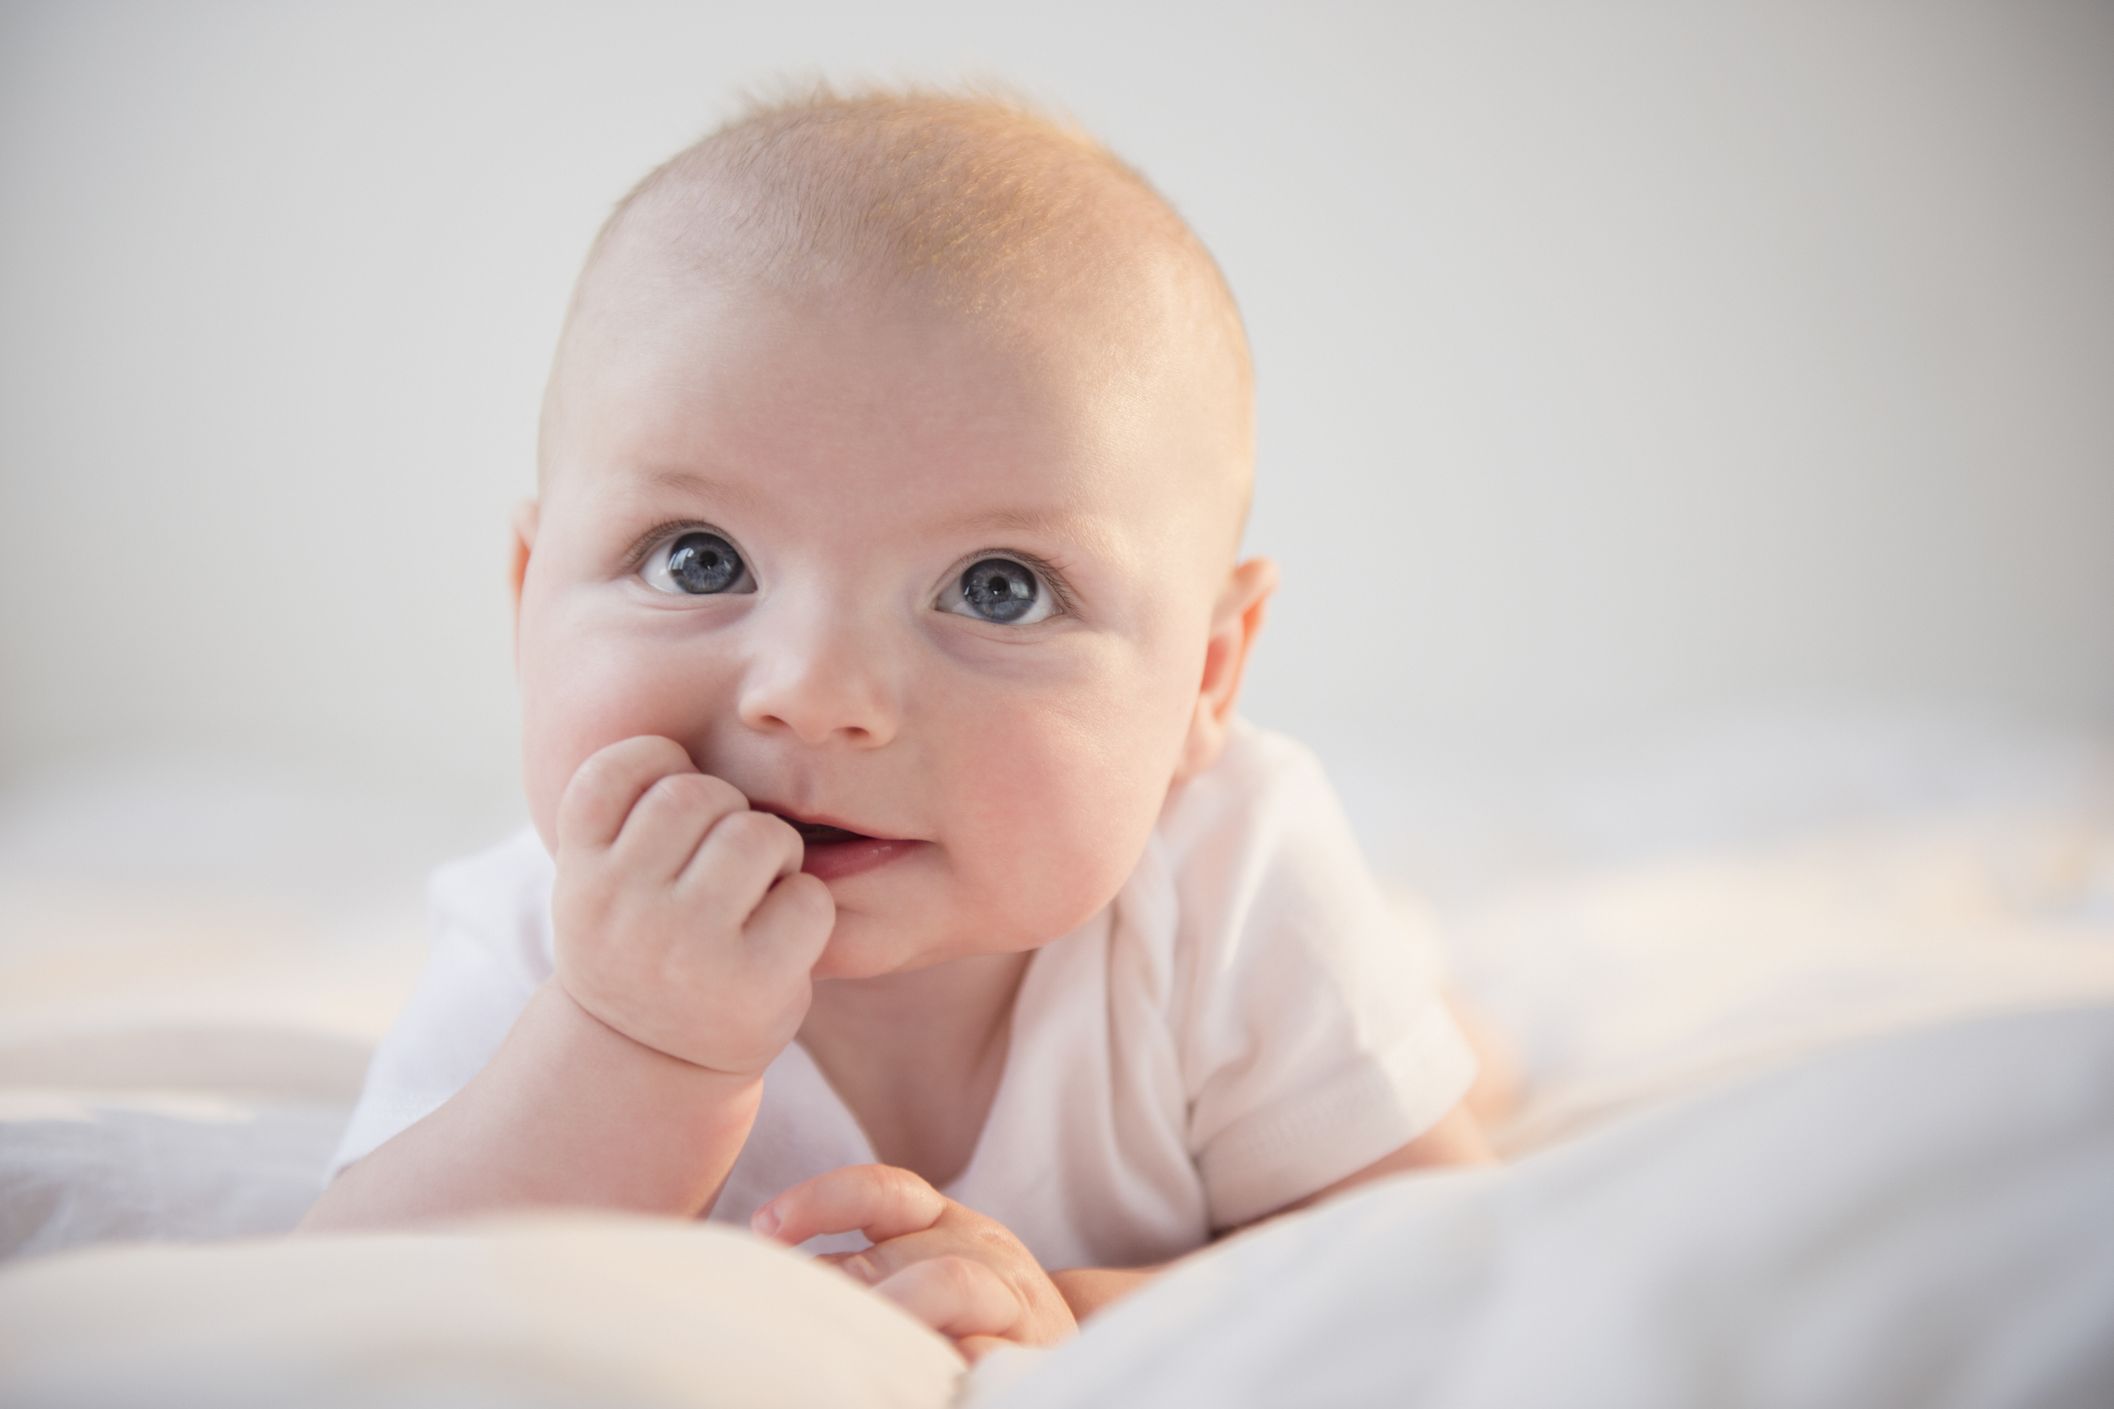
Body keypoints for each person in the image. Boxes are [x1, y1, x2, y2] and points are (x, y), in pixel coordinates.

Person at [297, 78, 1511, 1362]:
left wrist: (1081, 1312)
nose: (813, 691)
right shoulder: (553, 927)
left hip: (1283, 997)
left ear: (1205, 682)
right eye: (699, 558)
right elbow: (350, 1301)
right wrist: (628, 1043)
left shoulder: (1229, 875)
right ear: (528, 599)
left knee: (1450, 1073)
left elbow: (1441, 1261)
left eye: (1001, 588)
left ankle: (1440, 1030)